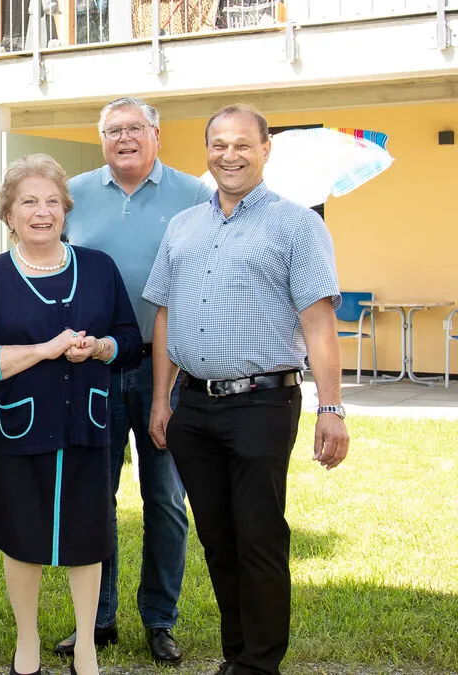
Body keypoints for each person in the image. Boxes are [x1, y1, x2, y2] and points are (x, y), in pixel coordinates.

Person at [143, 104, 350, 675]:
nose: (229, 155)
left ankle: (260, 664)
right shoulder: (184, 226)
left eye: (242, 144)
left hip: (262, 401)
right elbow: (163, 315)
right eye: (218, 144)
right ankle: (237, 655)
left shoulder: (298, 225)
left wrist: (331, 409)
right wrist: (162, 400)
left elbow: (318, 324)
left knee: (258, 537)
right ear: (206, 151)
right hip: (193, 405)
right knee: (217, 538)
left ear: (265, 150)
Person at [0, 153, 141, 675]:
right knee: (23, 535)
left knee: (88, 536)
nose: (41, 212)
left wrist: (103, 348)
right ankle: (27, 643)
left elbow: (130, 340)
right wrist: (43, 349)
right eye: (28, 202)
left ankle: (85, 645)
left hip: (87, 424)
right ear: (9, 213)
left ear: (65, 209)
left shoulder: (99, 268)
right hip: (22, 424)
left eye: (50, 202)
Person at [59, 96, 213, 665]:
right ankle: (96, 619)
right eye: (113, 130)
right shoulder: (74, 193)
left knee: (166, 499)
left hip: (164, 367)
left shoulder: (194, 195)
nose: (124, 138)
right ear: (102, 140)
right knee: (94, 497)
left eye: (135, 128)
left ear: (156, 134)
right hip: (90, 366)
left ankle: (160, 618)